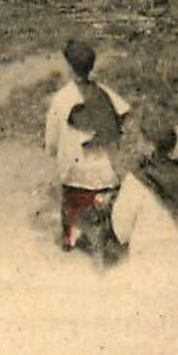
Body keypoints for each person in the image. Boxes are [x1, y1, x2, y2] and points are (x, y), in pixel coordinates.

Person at [43, 39, 130, 253]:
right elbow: (124, 113)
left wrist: (53, 151)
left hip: (75, 172)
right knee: (106, 204)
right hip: (104, 172)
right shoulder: (105, 93)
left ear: (69, 67)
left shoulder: (62, 98)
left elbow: (52, 137)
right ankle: (110, 232)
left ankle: (68, 238)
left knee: (70, 203)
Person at [109, 114, 178, 261]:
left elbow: (121, 230)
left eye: (140, 139)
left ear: (149, 146)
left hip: (148, 257)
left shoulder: (135, 181)